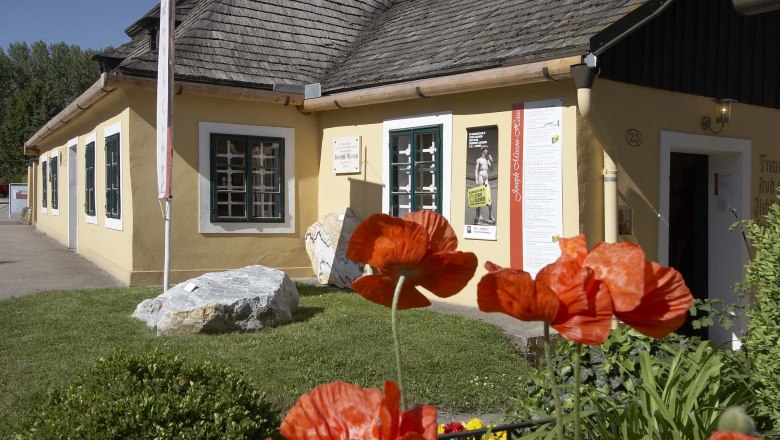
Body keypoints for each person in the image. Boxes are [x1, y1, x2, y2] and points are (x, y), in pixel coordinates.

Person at [474, 146, 494, 224]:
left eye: (487, 149)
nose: (487, 150)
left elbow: (492, 169)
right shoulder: (478, 160)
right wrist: (476, 180)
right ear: (482, 150)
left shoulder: (487, 160)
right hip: (481, 176)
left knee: (488, 196)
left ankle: (490, 214)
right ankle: (480, 215)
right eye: (486, 149)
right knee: (481, 196)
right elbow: (476, 170)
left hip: (486, 177)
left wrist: (491, 161)